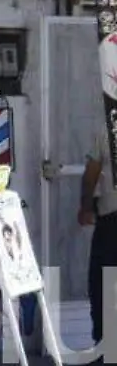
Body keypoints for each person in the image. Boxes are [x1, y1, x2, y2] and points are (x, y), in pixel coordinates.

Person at [78, 128, 117, 353]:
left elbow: (92, 171)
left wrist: (85, 206)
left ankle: (106, 346)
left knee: (103, 282)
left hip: (111, 219)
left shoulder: (109, 124)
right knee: (103, 283)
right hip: (110, 217)